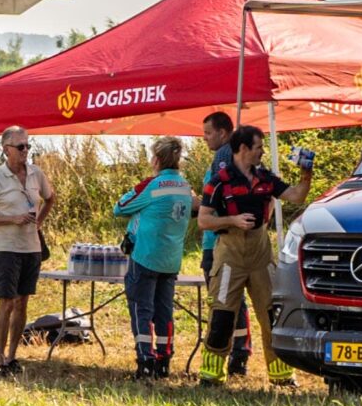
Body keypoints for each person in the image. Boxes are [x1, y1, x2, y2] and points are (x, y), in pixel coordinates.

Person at [198, 127, 313, 388]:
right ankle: (211, 376)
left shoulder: (266, 178)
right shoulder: (219, 181)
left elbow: (297, 196)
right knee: (222, 316)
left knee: (272, 315)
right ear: (243, 149)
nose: (262, 151)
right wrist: (233, 220)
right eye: (258, 147)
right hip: (229, 256)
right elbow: (203, 221)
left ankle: (282, 376)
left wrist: (306, 174)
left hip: (261, 255)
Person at [112, 135, 197, 377]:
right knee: (164, 312)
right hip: (171, 258)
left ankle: (145, 360)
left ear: (156, 160)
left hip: (146, 256)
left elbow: (120, 208)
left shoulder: (152, 185)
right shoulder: (184, 186)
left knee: (142, 310)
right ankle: (164, 359)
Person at [0, 125, 55, 374]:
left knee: (22, 302)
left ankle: (12, 356)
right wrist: (12, 219)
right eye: (20, 147)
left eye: (28, 145)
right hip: (6, 248)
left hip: (31, 247)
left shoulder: (36, 173)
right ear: (6, 149)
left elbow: (50, 197)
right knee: (7, 302)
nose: (25, 150)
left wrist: (39, 222)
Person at [199, 110, 253, 377]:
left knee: (226, 302)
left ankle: (235, 354)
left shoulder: (224, 157)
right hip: (223, 241)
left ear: (222, 132)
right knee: (231, 301)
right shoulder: (234, 159)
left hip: (220, 242)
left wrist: (204, 208)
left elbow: (220, 201)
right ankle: (239, 352)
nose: (205, 138)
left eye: (208, 133)